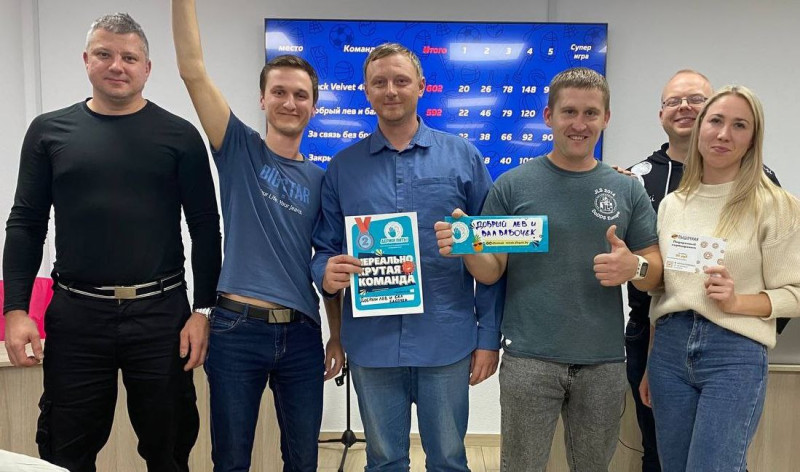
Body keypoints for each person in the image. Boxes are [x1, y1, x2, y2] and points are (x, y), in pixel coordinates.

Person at [2, 12, 221, 472]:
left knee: (169, 448)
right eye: (105, 54)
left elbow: (206, 227)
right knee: (65, 451)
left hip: (160, 315)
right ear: (87, 60)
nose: (117, 65)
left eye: (129, 57)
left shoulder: (180, 136)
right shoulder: (48, 132)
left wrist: (203, 311)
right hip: (77, 315)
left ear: (147, 68)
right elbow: (25, 224)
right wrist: (16, 310)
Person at [436, 67, 662, 472]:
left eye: (591, 113)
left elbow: (656, 273)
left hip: (604, 361)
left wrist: (635, 266)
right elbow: (491, 272)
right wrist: (466, 247)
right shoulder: (513, 185)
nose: (579, 124)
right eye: (569, 112)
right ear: (548, 116)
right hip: (529, 359)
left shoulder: (627, 188)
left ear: (606, 118)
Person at [311, 42, 502, 471]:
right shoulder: (342, 167)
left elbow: (491, 254)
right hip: (371, 345)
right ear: (366, 91)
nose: (391, 90)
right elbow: (325, 250)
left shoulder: (464, 157)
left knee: (449, 461)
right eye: (379, 82)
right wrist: (326, 271)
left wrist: (488, 337)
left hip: (446, 342)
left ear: (421, 86)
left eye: (401, 80)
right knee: (382, 462)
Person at [171, 1, 344, 471]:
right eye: (279, 92)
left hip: (302, 333)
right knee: (230, 461)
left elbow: (327, 262)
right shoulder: (238, 147)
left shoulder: (322, 180)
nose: (290, 102)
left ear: (314, 105)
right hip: (236, 330)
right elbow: (192, 70)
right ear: (263, 100)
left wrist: (337, 335)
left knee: (303, 462)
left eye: (301, 95)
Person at [624, 70, 782, 472]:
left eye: (739, 125)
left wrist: (739, 303)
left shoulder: (774, 201)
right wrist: (652, 360)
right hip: (667, 348)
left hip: (734, 349)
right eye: (717, 121)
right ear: (700, 129)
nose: (724, 134)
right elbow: (664, 291)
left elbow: (794, 292)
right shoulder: (670, 202)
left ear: (753, 137)